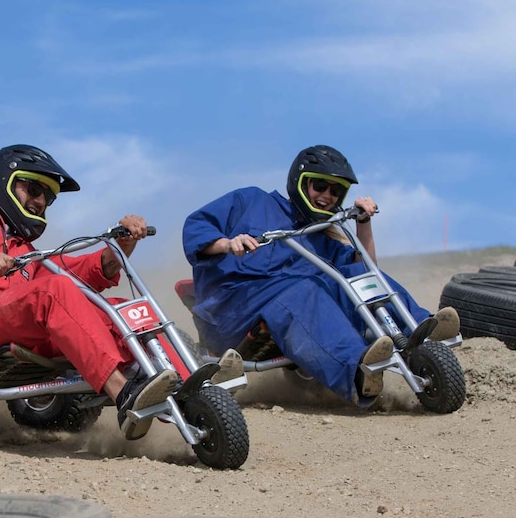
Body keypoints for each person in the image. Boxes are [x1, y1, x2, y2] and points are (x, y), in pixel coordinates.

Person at [0, 144, 180, 439]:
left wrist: (121, 249)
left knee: (120, 309)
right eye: (34, 189)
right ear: (5, 180)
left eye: (48, 197)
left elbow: (80, 275)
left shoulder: (27, 251)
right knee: (52, 291)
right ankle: (123, 392)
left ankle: (188, 394)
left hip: (19, 332)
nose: (40, 201)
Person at [182, 144, 460, 406]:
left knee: (353, 274)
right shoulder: (250, 200)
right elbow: (195, 228)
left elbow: (365, 269)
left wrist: (363, 223)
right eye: (320, 186)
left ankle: (420, 332)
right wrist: (228, 244)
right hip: (232, 310)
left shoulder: (320, 234)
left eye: (336, 191)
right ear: (301, 182)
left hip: (287, 306)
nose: (327, 196)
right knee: (303, 289)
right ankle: (357, 370)